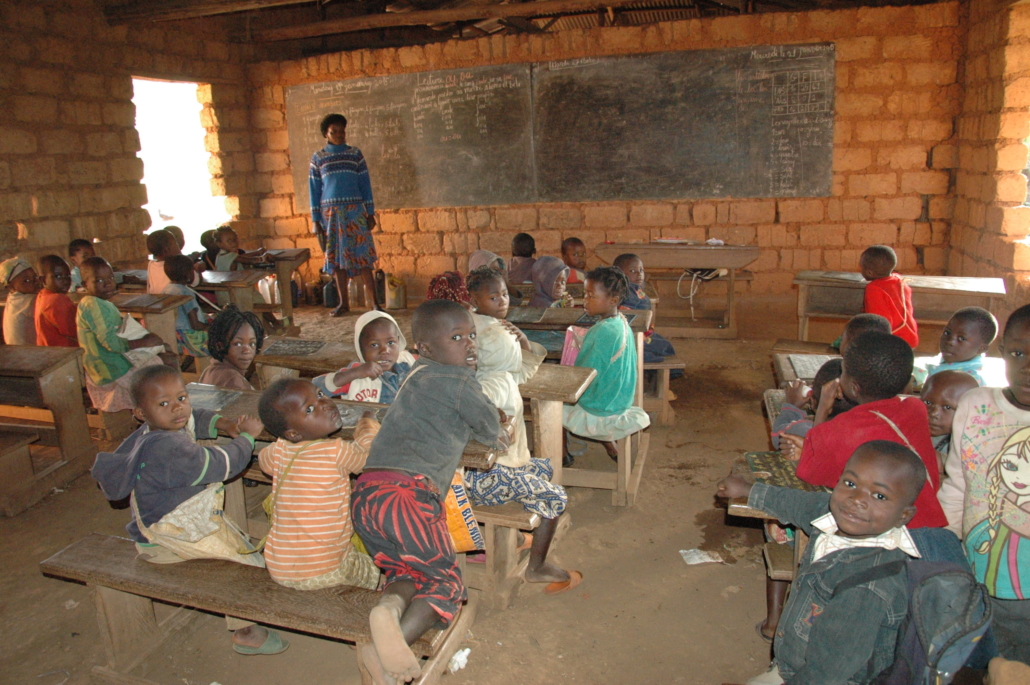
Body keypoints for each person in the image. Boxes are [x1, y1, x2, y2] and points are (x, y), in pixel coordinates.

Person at [350, 299, 510, 685]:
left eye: (472, 335)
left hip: (367, 494)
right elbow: (490, 428)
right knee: (445, 582)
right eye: (456, 338)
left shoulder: (415, 374)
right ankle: (383, 654)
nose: (469, 344)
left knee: (405, 570)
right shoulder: (460, 381)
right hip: (408, 497)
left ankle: (390, 609)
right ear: (425, 347)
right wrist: (499, 426)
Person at [91, 365, 286, 656]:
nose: (177, 408)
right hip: (168, 538)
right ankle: (245, 631)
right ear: (140, 413)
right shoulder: (167, 449)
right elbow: (221, 464)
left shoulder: (155, 429)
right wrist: (246, 438)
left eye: (181, 398)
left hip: (169, 522)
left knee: (239, 543)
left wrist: (224, 423)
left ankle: (247, 612)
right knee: (240, 566)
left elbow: (195, 418)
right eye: (163, 403)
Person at [717, 440, 927, 685]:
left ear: (904, 516)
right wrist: (749, 490)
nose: (856, 499)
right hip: (793, 665)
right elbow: (800, 504)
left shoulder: (867, 587)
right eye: (850, 483)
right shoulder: (836, 518)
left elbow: (828, 673)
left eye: (879, 496)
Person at [464, 267, 581, 594]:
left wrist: (524, 341)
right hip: (484, 476)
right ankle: (536, 567)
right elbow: (519, 372)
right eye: (493, 296)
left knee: (542, 468)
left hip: (490, 469)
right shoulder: (488, 386)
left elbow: (518, 369)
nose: (502, 300)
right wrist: (519, 346)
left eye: (504, 294)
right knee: (555, 496)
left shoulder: (494, 372)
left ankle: (514, 537)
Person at [938, 303, 1030, 664]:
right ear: (1002, 351)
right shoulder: (977, 405)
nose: (1028, 367)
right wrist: (945, 553)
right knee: (985, 663)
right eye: (1019, 353)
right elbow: (958, 485)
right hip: (980, 575)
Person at [788, 331, 947, 530]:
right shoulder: (917, 409)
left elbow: (810, 472)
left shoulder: (844, 428)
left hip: (893, 532)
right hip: (928, 521)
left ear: (854, 388)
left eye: (843, 372)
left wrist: (822, 409)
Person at [257, 379, 381, 591]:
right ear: (293, 433)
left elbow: (263, 460)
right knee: (373, 566)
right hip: (326, 570)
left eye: (320, 394)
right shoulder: (336, 451)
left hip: (279, 567)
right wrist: (367, 425)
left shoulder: (279, 450)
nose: (325, 404)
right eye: (310, 409)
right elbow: (368, 459)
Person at [562, 266, 650, 465]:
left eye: (591, 296)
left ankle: (561, 455)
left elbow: (582, 376)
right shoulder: (622, 322)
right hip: (620, 398)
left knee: (551, 404)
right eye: (585, 294)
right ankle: (611, 446)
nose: (585, 300)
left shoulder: (602, 332)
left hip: (601, 407)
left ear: (613, 300)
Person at [309, 113, 382, 316]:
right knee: (336, 260)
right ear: (326, 134)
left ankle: (375, 304)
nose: (339, 135)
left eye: (342, 131)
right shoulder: (318, 158)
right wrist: (315, 220)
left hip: (355, 212)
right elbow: (314, 191)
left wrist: (370, 212)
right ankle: (343, 303)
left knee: (364, 257)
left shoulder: (355, 154)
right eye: (334, 132)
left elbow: (365, 184)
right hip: (330, 216)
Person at [76, 257, 172, 412]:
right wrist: (142, 343)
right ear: (85, 284)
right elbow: (111, 343)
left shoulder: (97, 302)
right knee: (162, 371)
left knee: (164, 353)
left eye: (111, 278)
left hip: (114, 360)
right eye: (99, 280)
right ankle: (158, 411)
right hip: (112, 367)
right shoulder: (93, 305)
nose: (108, 284)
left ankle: (163, 407)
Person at [312, 310, 416, 404]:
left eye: (391, 342)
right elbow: (314, 389)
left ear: (398, 341)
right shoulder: (355, 376)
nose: (384, 350)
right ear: (361, 349)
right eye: (374, 345)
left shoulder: (408, 361)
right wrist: (354, 373)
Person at [772, 359, 855, 451]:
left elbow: (777, 435)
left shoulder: (803, 430)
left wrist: (792, 407)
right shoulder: (860, 433)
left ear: (813, 402)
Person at [612, 252, 676, 364]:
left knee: (662, 345)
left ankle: (639, 355)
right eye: (632, 270)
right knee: (665, 347)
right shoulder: (626, 291)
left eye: (641, 270)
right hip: (633, 335)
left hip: (638, 333)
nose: (639, 274)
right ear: (619, 274)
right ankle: (638, 357)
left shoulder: (633, 288)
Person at [916, 306, 998, 386]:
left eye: (961, 338)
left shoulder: (969, 381)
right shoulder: (947, 362)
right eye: (947, 333)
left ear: (981, 349)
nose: (950, 341)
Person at [920, 370, 978, 474]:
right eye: (928, 402)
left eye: (947, 407)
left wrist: (941, 461)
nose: (934, 413)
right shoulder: (910, 430)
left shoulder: (971, 446)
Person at [859, 245, 918, 348]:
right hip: (910, 337)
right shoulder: (899, 280)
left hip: (892, 342)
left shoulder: (874, 289)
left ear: (869, 272)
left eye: (861, 267)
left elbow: (879, 323)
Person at [197, 305, 264, 390]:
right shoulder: (233, 380)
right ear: (220, 346)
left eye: (252, 344)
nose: (247, 350)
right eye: (237, 344)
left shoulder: (210, 370)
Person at [161, 255, 209, 359]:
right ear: (188, 274)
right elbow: (195, 325)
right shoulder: (185, 293)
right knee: (227, 335)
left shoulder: (166, 290)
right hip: (192, 340)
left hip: (175, 337)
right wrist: (211, 327)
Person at [34, 255, 77, 347]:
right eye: (58, 276)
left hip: (48, 351)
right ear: (43, 280)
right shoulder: (58, 300)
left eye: (68, 275)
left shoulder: (42, 295)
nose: (65, 280)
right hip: (67, 352)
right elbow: (77, 330)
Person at [68, 239, 139, 291]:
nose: (91, 259)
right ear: (73, 260)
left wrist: (124, 277)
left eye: (93, 255)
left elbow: (112, 277)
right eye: (85, 256)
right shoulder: (74, 276)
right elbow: (74, 289)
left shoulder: (97, 270)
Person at [0, 257, 39, 346]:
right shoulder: (29, 301)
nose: (35, 282)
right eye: (26, 281)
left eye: (35, 277)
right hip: (30, 352)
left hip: (16, 350)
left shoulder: (12, 298)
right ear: (10, 286)